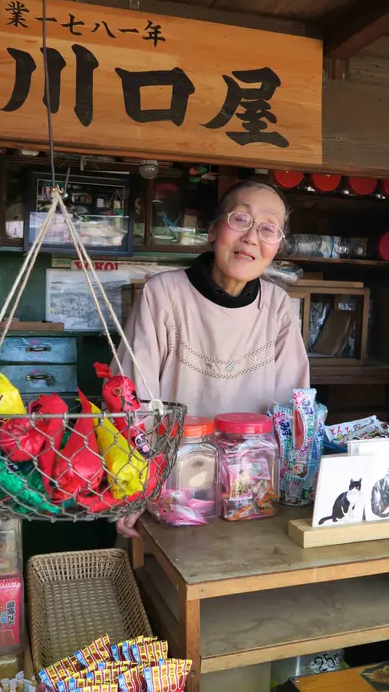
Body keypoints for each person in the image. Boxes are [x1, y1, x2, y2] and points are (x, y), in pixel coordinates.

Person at [115, 180, 310, 538]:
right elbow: (130, 397)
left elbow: (291, 410)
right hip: (171, 490)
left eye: (268, 228)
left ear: (277, 245)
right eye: (241, 219)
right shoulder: (164, 294)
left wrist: (286, 488)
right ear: (213, 230)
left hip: (252, 492)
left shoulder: (279, 307)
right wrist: (133, 489)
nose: (252, 237)